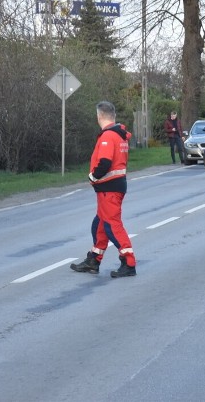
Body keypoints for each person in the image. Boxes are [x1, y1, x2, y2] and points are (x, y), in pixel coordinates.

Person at [70, 101, 137, 278]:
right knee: (100, 223)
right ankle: (94, 260)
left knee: (111, 225)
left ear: (99, 116)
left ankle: (128, 262)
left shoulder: (108, 136)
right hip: (111, 187)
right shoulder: (119, 135)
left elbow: (105, 163)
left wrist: (93, 176)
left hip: (109, 188)